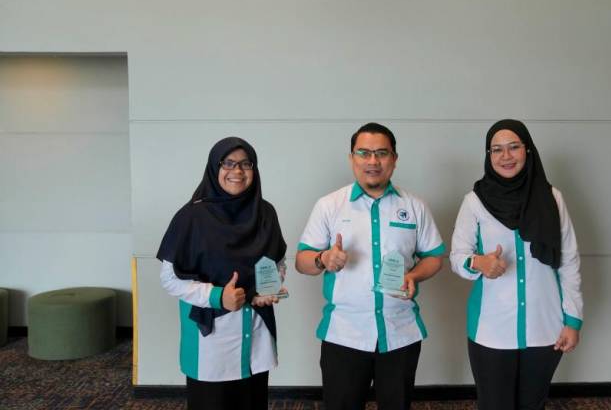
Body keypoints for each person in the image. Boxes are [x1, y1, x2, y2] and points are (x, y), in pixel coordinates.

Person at [295, 123, 445, 410]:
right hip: (344, 334)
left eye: (381, 153)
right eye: (364, 153)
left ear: (394, 159)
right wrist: (323, 259)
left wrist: (414, 275)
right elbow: (303, 261)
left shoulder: (414, 206)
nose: (373, 161)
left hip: (400, 332)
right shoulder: (329, 205)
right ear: (352, 158)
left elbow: (435, 257)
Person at [449, 119, 583, 410]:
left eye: (513, 147)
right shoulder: (474, 202)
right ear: (488, 155)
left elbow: (569, 260)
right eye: (496, 149)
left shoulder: (552, 198)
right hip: (491, 329)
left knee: (532, 404)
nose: (505, 156)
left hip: (545, 327)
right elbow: (458, 257)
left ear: (528, 151)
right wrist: (479, 262)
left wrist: (572, 321)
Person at [157, 137, 287, 410]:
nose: (237, 171)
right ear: (214, 168)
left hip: (256, 330)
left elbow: (277, 261)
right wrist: (218, 297)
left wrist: (269, 289)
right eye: (228, 163)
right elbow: (170, 279)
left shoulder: (265, 213)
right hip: (211, 342)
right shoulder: (191, 217)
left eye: (245, 164)